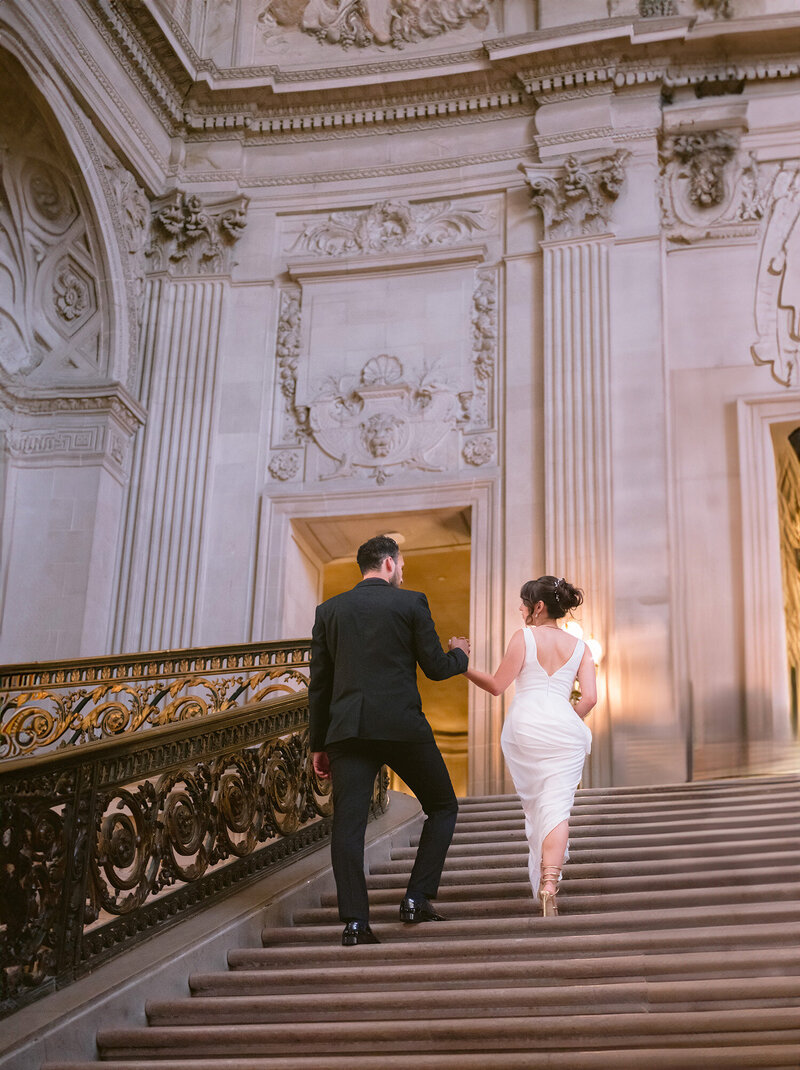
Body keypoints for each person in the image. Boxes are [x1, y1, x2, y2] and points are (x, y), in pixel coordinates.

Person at [309, 534, 470, 946]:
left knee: (348, 828)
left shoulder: (329, 611)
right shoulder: (411, 602)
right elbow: (435, 668)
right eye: (401, 564)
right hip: (401, 728)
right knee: (443, 806)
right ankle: (416, 898)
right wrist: (460, 654)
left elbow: (320, 686)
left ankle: (356, 925)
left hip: (347, 732)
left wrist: (318, 745)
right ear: (389, 564)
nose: (403, 571)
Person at [465, 576, 596, 916]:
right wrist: (566, 718)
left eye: (524, 604)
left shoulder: (523, 637)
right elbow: (591, 699)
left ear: (538, 607)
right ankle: (549, 884)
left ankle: (546, 877)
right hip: (564, 730)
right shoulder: (581, 648)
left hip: (526, 728)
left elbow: (496, 686)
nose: (521, 610)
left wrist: (461, 664)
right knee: (556, 808)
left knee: (539, 806)